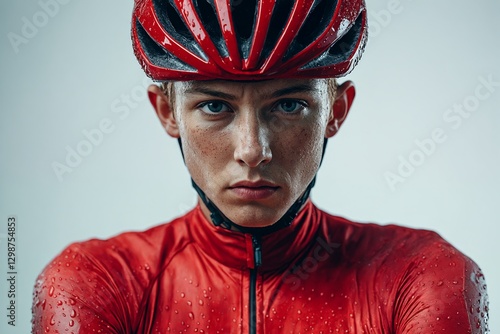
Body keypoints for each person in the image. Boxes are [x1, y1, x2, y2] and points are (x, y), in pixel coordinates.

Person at [32, 0, 489, 333]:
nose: (253, 150)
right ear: (166, 111)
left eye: (288, 104)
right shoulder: (93, 283)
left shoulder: (422, 276)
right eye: (215, 106)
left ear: (336, 110)